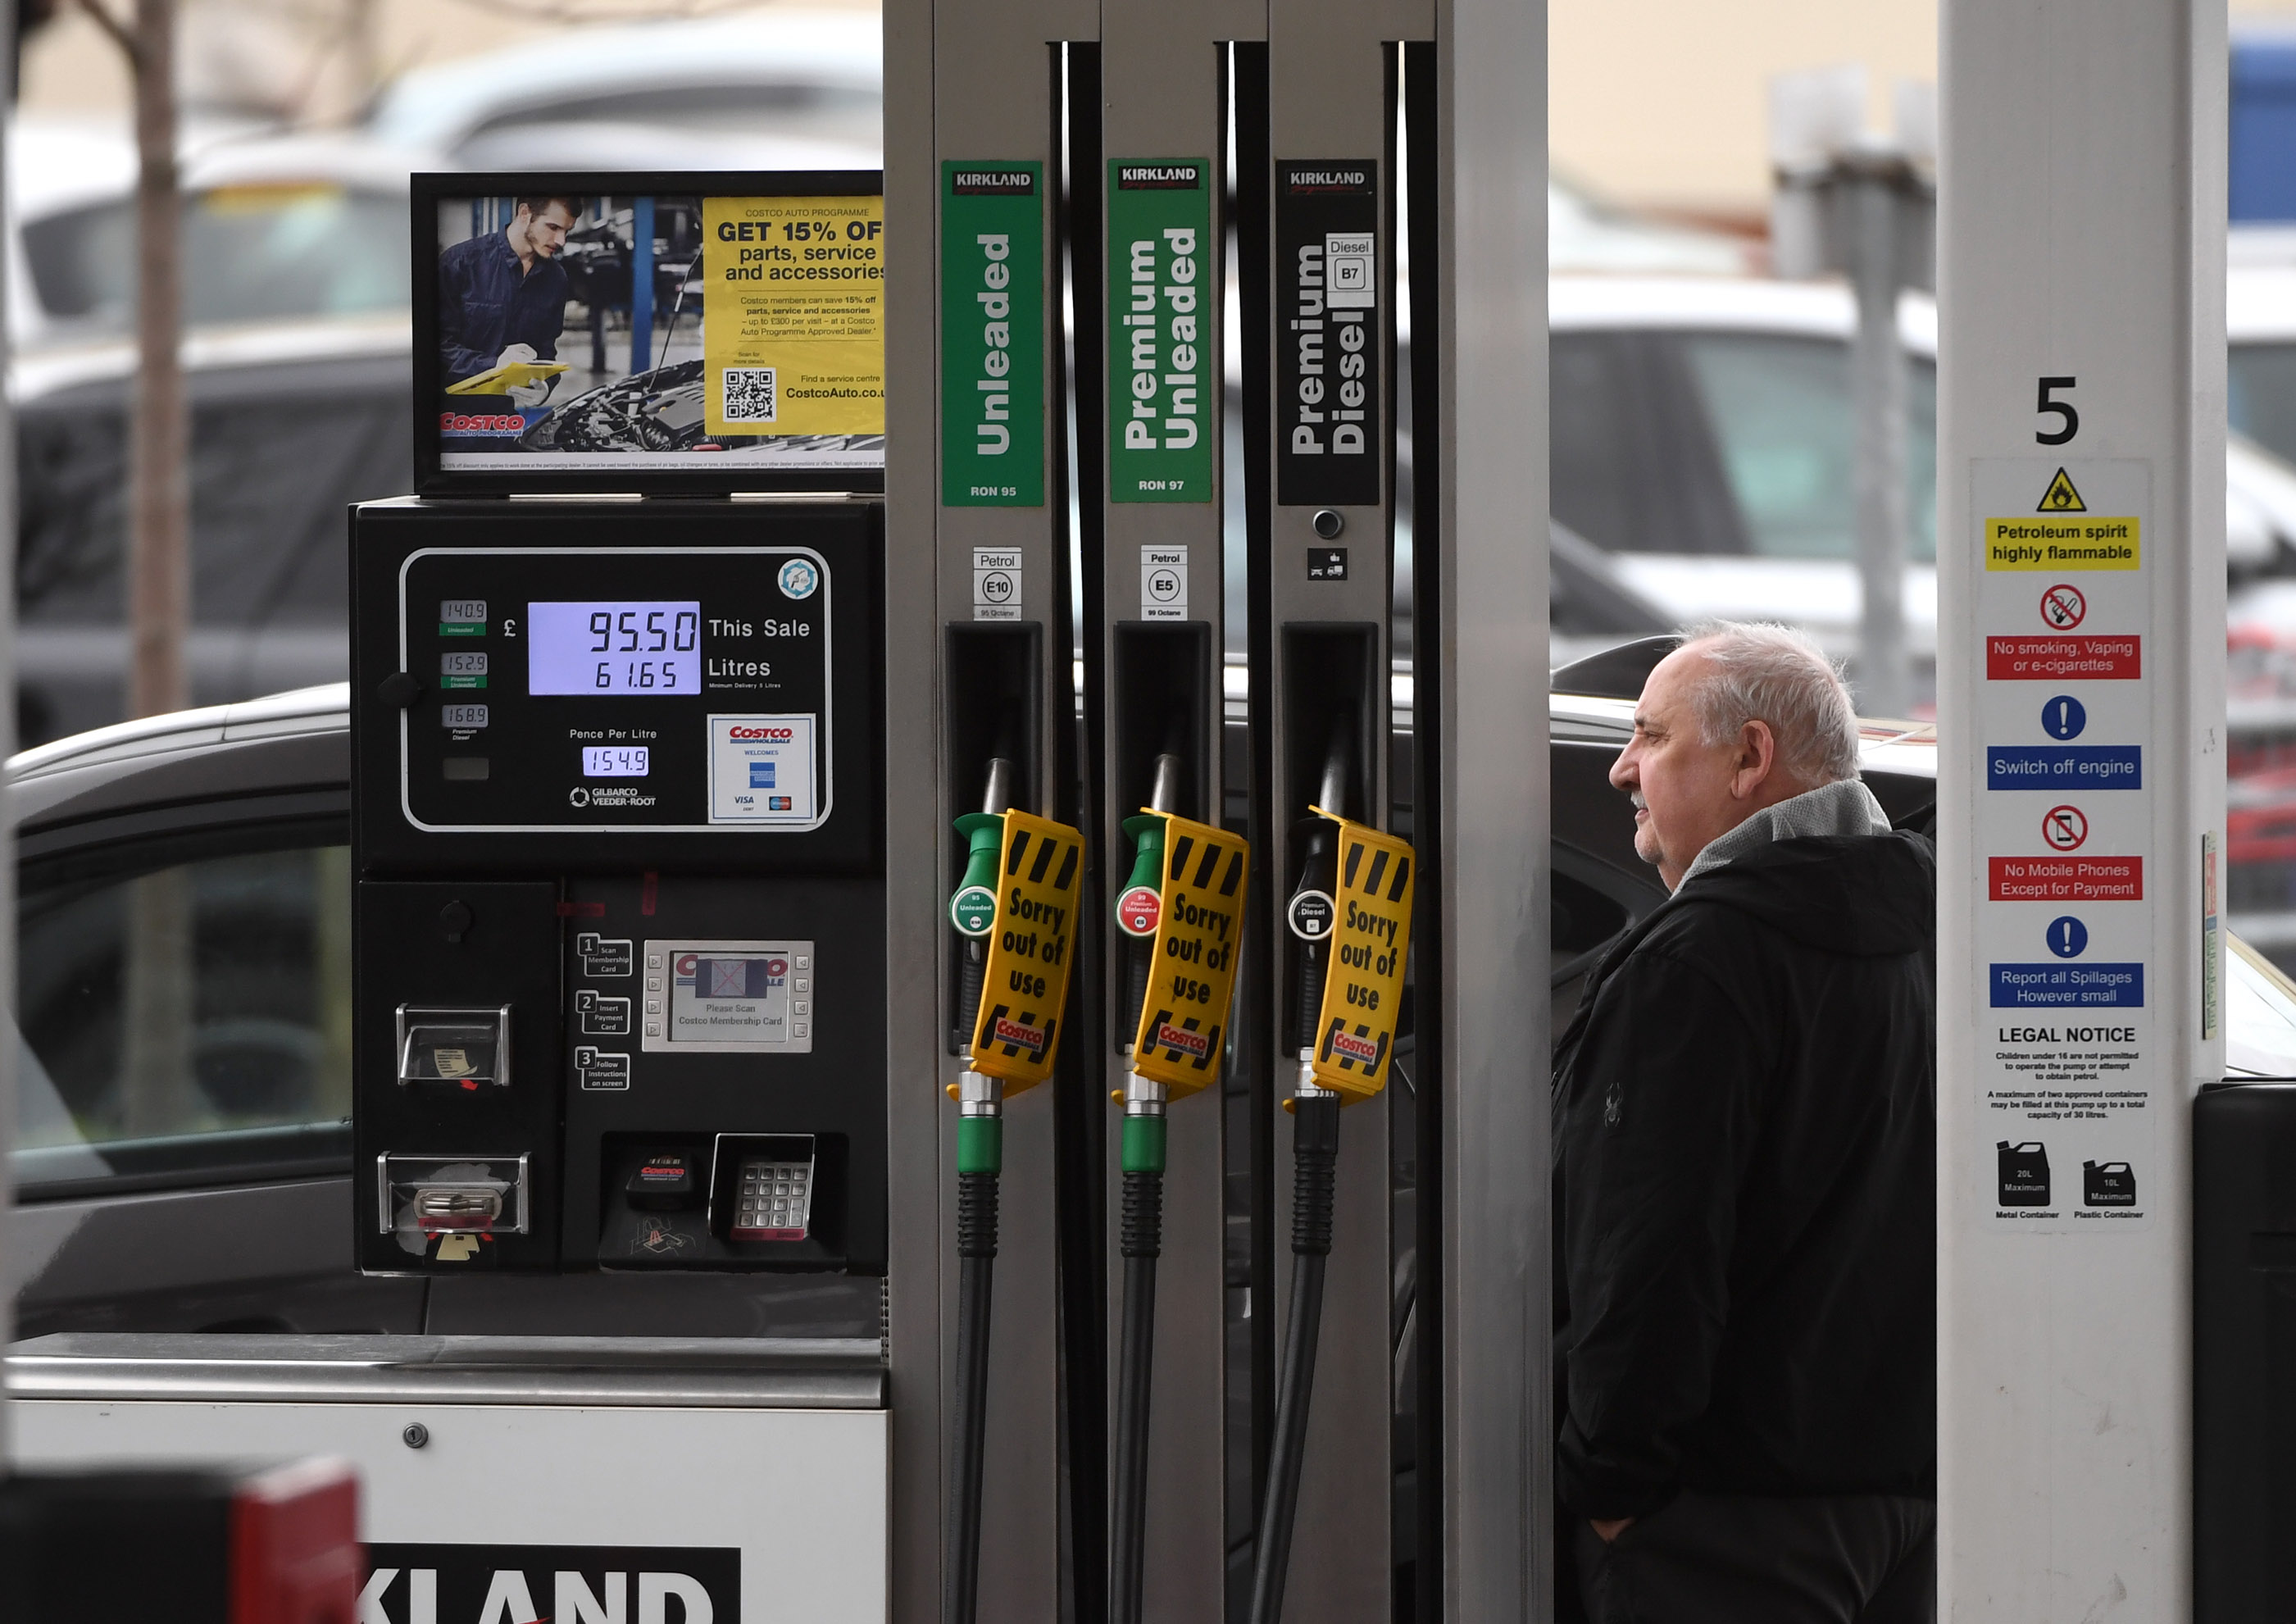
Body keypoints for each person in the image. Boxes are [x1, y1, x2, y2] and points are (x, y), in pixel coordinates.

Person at [1553, 621, 1935, 1623]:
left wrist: (1611, 1488)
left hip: (1727, 1516)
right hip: (1910, 1495)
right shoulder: (1936, 940)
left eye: (1649, 735)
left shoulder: (1700, 963)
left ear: (1749, 758)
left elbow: (1649, 1247)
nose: (1619, 767)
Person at [437, 196, 584, 406]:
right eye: (553, 227)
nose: (561, 241)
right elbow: (436, 346)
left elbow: (547, 348)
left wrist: (545, 386)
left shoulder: (556, 278)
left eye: (566, 231)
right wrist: (493, 365)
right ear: (525, 213)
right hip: (453, 417)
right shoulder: (460, 263)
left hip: (510, 419)